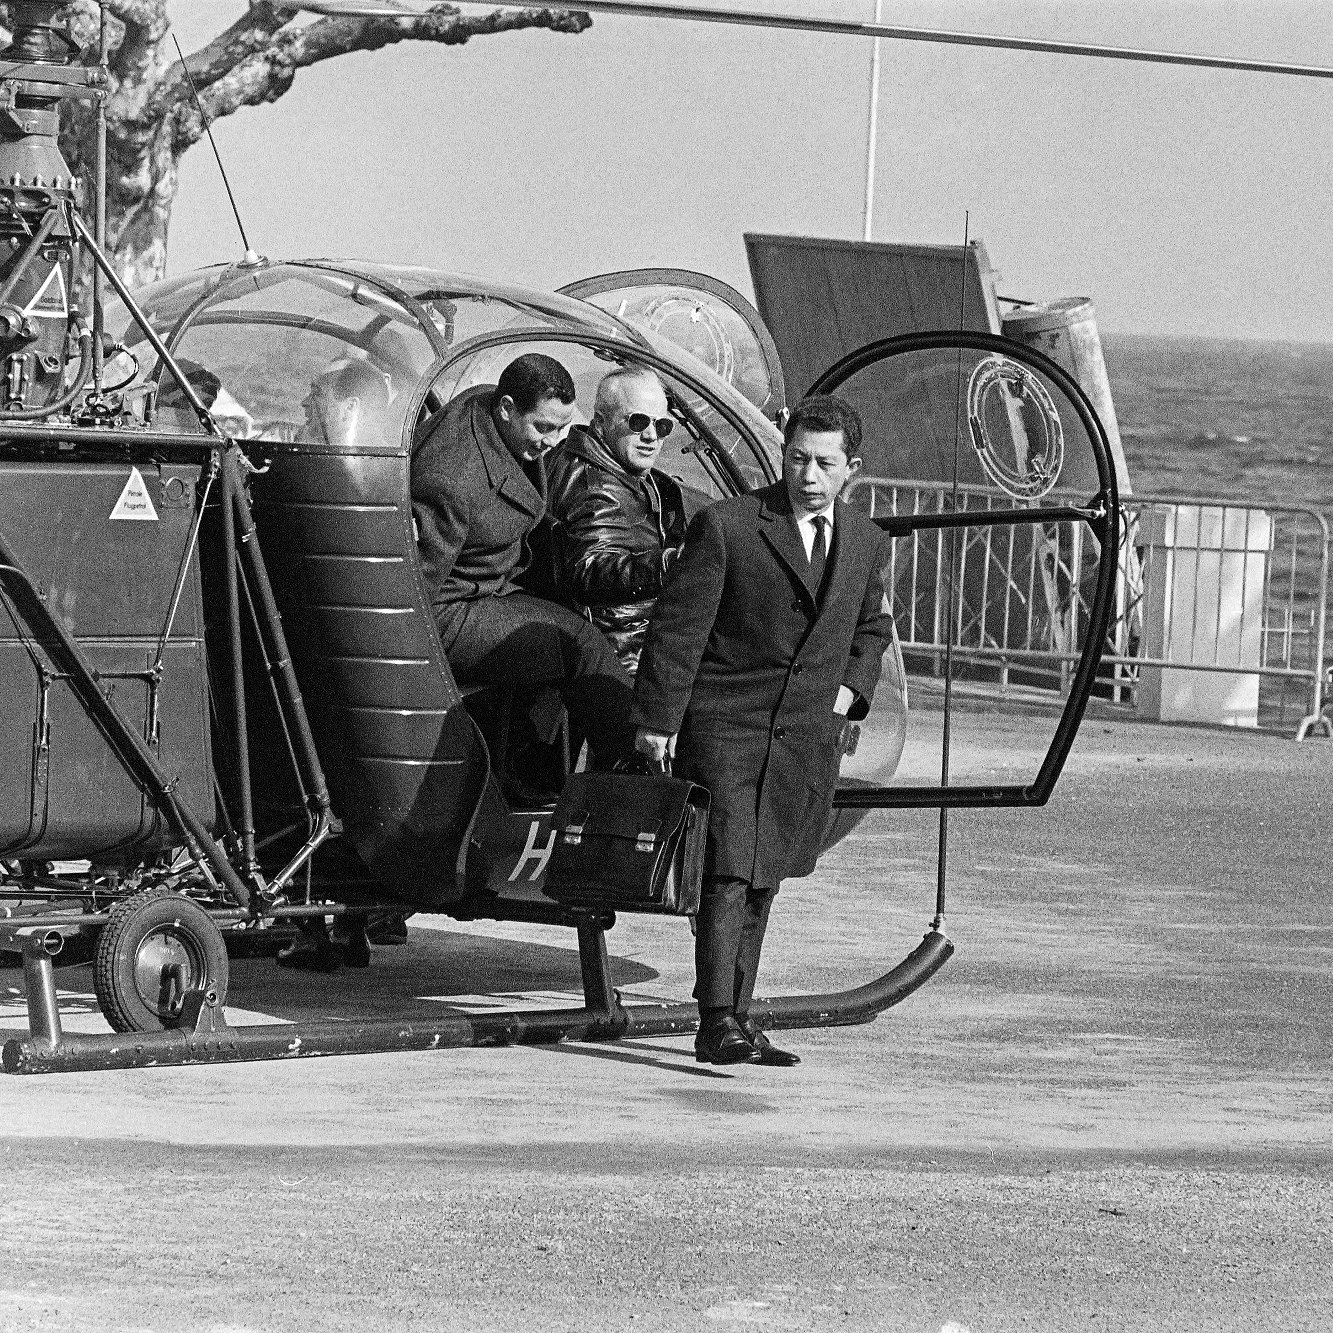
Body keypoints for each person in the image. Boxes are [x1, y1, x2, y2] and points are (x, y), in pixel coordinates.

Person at [632, 394, 896, 1067]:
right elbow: (678, 629)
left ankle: (739, 1016)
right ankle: (717, 1019)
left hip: (804, 733)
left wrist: (848, 693)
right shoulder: (728, 526)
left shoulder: (866, 542)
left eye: (824, 463)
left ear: (852, 469)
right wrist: (658, 721)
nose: (807, 475)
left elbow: (871, 627)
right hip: (726, 725)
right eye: (797, 458)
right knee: (728, 869)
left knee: (763, 874)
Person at [410, 352, 636, 768]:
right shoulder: (452, 480)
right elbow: (414, 594)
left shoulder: (486, 405)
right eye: (543, 427)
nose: (552, 441)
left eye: (562, 427)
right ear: (508, 409)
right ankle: (633, 769)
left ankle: (536, 769)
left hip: (490, 580)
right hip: (449, 609)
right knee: (582, 645)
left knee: (570, 613)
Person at [545, 366, 689, 675]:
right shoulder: (596, 488)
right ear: (600, 422)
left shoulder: (587, 458)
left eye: (662, 425)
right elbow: (591, 568)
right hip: (625, 654)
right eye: (638, 422)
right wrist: (667, 563)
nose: (651, 436)